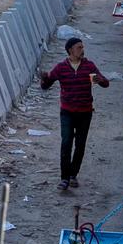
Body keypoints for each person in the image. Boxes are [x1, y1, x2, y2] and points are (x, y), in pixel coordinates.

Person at [39, 37, 110, 190]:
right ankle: (64, 178)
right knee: (66, 143)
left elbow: (106, 83)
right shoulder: (61, 68)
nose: (82, 50)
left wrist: (99, 80)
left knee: (80, 145)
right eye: (79, 47)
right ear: (70, 50)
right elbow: (46, 84)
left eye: (82, 47)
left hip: (85, 112)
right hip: (67, 112)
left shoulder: (89, 66)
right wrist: (43, 78)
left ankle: (73, 175)